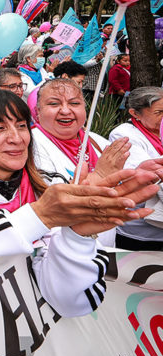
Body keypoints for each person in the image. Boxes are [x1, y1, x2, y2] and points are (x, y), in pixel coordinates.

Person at [0, 90, 160, 317]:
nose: (16, 138)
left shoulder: (52, 185)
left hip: (47, 336)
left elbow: (73, 303)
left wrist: (77, 236)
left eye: (22, 126)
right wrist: (40, 216)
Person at [31, 78, 130, 246]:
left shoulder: (96, 140)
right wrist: (101, 176)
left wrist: (144, 174)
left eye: (74, 103)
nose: (65, 111)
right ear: (38, 111)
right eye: (54, 104)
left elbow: (124, 180)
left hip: (105, 249)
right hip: (60, 250)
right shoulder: (30, 145)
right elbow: (52, 199)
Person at [109, 87, 163, 250]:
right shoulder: (123, 135)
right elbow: (152, 179)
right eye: (159, 112)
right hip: (140, 231)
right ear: (135, 113)